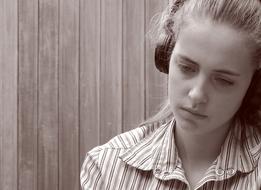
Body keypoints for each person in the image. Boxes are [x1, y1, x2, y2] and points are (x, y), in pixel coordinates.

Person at [80, 0, 261, 189]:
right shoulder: (107, 167)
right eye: (186, 67)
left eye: (223, 80)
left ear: (254, 85)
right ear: (166, 57)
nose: (197, 94)